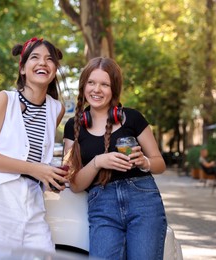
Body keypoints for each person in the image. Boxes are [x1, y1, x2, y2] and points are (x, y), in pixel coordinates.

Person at [0, 37, 68, 252]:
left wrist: (51, 175)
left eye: (49, 59)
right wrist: (35, 169)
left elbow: (38, 157)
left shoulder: (56, 109)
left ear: (54, 69)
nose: (43, 63)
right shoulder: (5, 100)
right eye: (35, 58)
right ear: (23, 68)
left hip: (33, 203)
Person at [63, 57, 167, 259]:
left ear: (114, 90)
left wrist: (145, 162)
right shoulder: (73, 127)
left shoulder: (133, 118)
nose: (97, 89)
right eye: (91, 83)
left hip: (143, 200)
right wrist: (97, 162)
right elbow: (74, 184)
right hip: (101, 204)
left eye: (105, 84)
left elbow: (159, 163)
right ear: (83, 86)